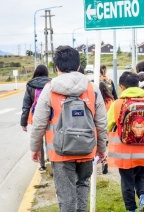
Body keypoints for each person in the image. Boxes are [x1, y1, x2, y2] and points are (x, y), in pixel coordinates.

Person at [29, 46, 108, 212]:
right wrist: (101, 149)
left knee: (66, 195)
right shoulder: (92, 88)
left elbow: (39, 123)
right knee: (82, 185)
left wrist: (35, 148)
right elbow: (101, 122)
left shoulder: (50, 89)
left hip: (59, 151)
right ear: (79, 66)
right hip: (87, 149)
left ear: (56, 67)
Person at [107, 71, 144, 212]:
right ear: (138, 85)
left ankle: (131, 209)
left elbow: (107, 125)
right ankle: (143, 198)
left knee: (127, 181)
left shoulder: (118, 103)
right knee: (142, 174)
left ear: (122, 87)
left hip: (124, 150)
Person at [21, 64, 51, 171]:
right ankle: (50, 160)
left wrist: (23, 122)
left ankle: (42, 164)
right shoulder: (51, 83)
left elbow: (26, 105)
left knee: (39, 139)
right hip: (50, 115)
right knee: (50, 139)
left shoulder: (30, 85)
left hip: (36, 116)